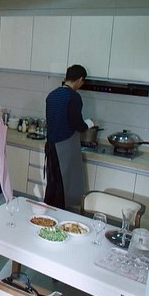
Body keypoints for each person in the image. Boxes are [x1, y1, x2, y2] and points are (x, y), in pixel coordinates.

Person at [44, 64, 95, 211]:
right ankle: (59, 216)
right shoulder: (74, 97)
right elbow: (77, 124)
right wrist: (90, 123)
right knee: (63, 185)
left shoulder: (52, 95)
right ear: (80, 79)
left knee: (52, 183)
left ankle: (47, 213)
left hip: (51, 145)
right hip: (64, 147)